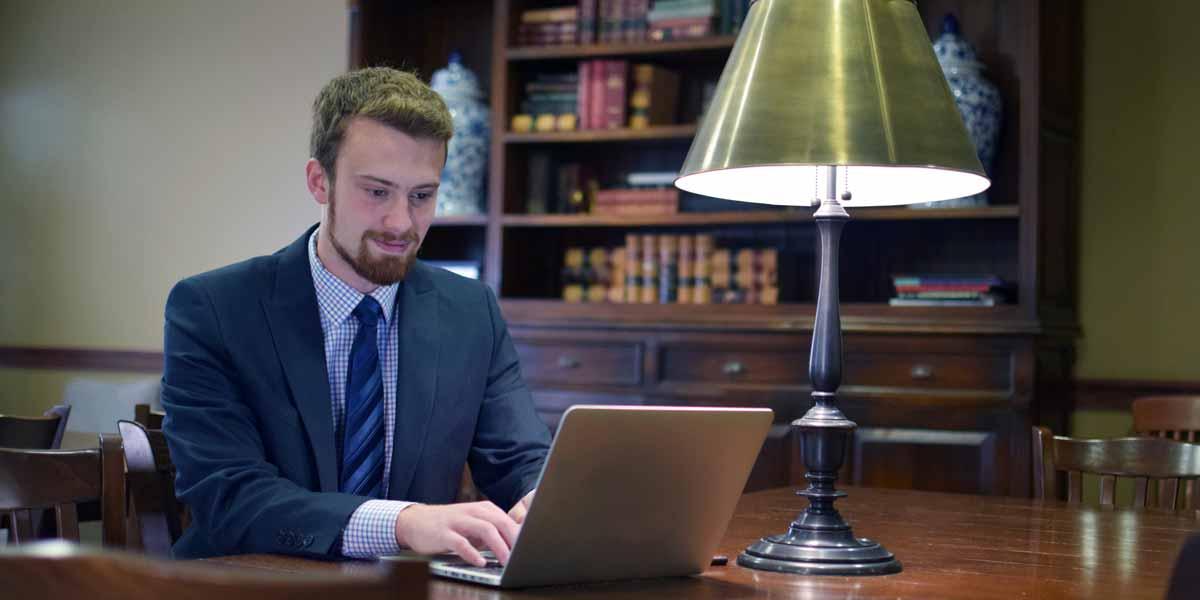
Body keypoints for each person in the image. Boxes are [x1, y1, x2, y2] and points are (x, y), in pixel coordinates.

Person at [161, 67, 551, 565]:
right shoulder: (213, 309)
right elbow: (230, 496)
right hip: (250, 588)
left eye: (421, 195)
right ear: (319, 181)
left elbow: (520, 458)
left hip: (410, 592)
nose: (401, 223)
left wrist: (542, 499)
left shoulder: (471, 313)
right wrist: (403, 523)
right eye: (376, 191)